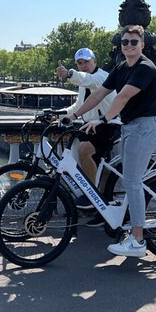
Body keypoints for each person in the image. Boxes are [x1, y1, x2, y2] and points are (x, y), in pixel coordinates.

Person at [64, 25, 156, 258]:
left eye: (133, 42)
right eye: (125, 42)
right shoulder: (120, 67)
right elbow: (99, 94)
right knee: (128, 180)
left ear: (142, 45)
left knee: (132, 182)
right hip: (130, 127)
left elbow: (123, 96)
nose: (129, 45)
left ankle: (138, 241)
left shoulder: (146, 68)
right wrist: (73, 116)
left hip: (144, 128)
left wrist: (102, 119)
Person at [57, 48, 121, 226]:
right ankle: (101, 207)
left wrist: (70, 73)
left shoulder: (101, 77)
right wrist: (59, 114)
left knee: (84, 150)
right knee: (102, 168)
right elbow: (79, 105)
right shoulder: (83, 83)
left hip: (107, 125)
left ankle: (90, 194)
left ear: (95, 60)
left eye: (86, 62)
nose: (83, 65)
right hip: (91, 126)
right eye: (79, 63)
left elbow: (88, 79)